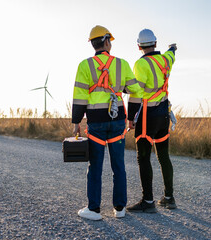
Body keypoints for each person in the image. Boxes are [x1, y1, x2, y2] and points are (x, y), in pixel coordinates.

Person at [72, 25, 141, 220]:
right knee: (118, 165)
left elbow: (79, 96)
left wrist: (76, 121)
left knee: (95, 166)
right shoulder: (122, 64)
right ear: (107, 42)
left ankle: (94, 210)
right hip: (117, 119)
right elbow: (135, 89)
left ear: (93, 44)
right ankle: (120, 209)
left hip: (96, 122)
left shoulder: (84, 66)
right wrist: (121, 91)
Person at [127, 29, 177, 212]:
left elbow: (136, 93)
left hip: (148, 115)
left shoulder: (141, 65)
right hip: (164, 113)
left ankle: (148, 202)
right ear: (155, 44)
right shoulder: (165, 60)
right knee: (164, 156)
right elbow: (172, 55)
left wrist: (131, 118)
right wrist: (173, 49)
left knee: (144, 158)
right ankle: (169, 197)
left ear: (139, 46)